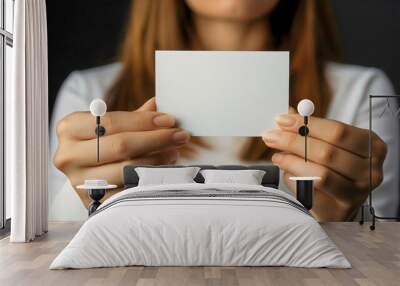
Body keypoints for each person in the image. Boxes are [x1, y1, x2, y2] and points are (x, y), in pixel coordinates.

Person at [49, 0, 399, 221]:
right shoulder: (90, 93)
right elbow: (49, 241)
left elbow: (379, 245)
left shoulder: (362, 91)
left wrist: (347, 215)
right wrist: (82, 195)